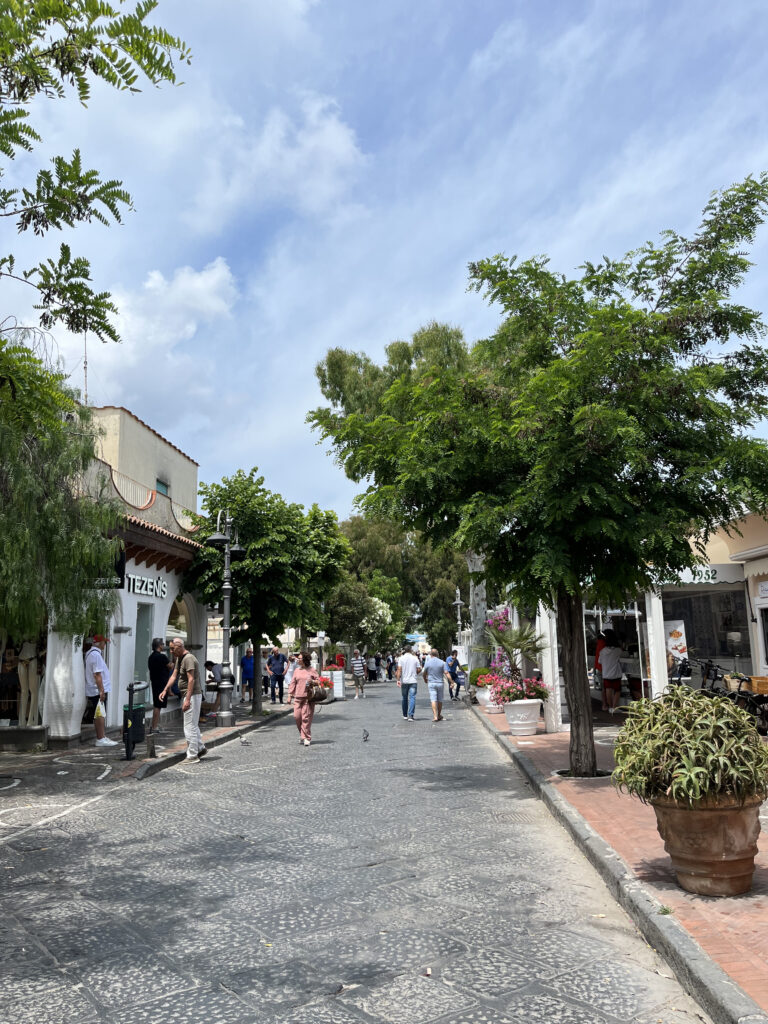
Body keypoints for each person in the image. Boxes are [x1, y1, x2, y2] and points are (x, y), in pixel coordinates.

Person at [162, 638, 206, 762]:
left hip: (191, 695)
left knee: (189, 726)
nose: (171, 651)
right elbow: (174, 675)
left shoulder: (188, 659)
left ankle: (192, 755)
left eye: (172, 648)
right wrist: (165, 689)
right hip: (188, 695)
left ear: (180, 646)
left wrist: (187, 700)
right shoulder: (180, 659)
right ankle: (200, 748)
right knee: (192, 724)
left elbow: (191, 680)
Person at [84, 635, 118, 747]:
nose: (105, 644)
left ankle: (102, 736)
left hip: (95, 689)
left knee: (99, 713)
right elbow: (97, 674)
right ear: (99, 643)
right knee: (100, 714)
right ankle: (100, 738)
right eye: (104, 642)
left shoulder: (91, 654)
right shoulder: (95, 655)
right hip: (96, 690)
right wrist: (101, 690)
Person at [288, 650, 319, 747]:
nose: (297, 659)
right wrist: (289, 695)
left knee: (305, 718)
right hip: (297, 697)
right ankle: (303, 734)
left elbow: (319, 681)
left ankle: (306, 738)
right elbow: (293, 683)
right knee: (297, 717)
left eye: (300, 658)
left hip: (308, 698)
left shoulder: (311, 670)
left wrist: (313, 682)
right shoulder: (297, 670)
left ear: (304, 660)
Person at [597, 629, 624, 714]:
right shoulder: (618, 650)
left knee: (608, 690)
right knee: (617, 690)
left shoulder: (602, 651)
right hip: (616, 673)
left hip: (606, 674)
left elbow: (599, 661)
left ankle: (610, 707)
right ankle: (614, 707)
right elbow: (623, 656)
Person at [148, 638, 172, 734]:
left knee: (157, 704)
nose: (163, 645)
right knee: (158, 705)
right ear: (159, 646)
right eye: (162, 644)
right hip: (161, 683)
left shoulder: (151, 657)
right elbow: (170, 666)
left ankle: (155, 725)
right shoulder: (162, 657)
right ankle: (154, 727)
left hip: (155, 682)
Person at [422, 647, 451, 723]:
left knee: (433, 699)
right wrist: (451, 681)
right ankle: (439, 715)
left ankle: (435, 716)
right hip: (440, 683)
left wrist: (425, 679)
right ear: (437, 654)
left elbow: (424, 673)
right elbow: (446, 673)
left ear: (431, 654)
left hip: (431, 683)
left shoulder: (428, 662)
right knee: (440, 699)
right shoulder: (442, 662)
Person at [396, 645, 421, 721]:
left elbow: (399, 670)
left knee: (404, 698)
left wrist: (398, 680)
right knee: (412, 697)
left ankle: (405, 715)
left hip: (404, 681)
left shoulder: (401, 659)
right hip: (413, 681)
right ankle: (411, 715)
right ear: (410, 650)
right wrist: (415, 673)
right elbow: (419, 669)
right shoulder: (415, 658)